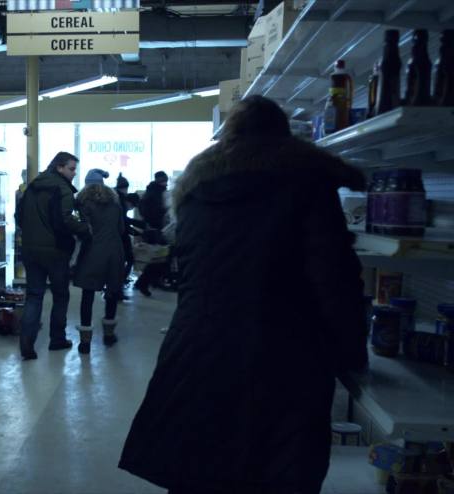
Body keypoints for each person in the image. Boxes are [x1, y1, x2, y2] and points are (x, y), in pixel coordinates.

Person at [119, 95, 368, 494]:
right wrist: (351, 353)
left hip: (196, 348)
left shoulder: (195, 194)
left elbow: (194, 277)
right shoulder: (307, 183)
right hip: (283, 356)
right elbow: (335, 277)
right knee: (275, 472)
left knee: (197, 467)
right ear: (284, 137)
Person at [15, 151, 90, 360]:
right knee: (60, 295)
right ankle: (57, 339)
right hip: (56, 251)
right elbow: (66, 220)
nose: (74, 173)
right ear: (59, 167)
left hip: (30, 250)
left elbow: (18, 216)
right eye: (71, 169)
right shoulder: (62, 189)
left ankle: (26, 345)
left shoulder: (33, 186)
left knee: (34, 296)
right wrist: (85, 229)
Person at [72, 169, 126, 354]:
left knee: (87, 294)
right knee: (112, 292)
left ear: (87, 184)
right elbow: (121, 229)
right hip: (115, 251)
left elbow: (82, 229)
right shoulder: (115, 202)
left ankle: (85, 342)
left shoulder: (83, 203)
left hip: (93, 251)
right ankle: (109, 334)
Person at [134, 171, 170, 296]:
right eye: (164, 180)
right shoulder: (155, 193)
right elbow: (151, 211)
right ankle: (144, 282)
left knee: (159, 257)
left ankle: (148, 281)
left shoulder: (152, 192)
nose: (165, 183)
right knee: (159, 258)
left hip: (155, 229)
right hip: (155, 230)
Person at [115, 174, 146, 283]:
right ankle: (120, 281)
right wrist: (137, 231)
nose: (132, 208)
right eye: (132, 206)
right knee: (128, 259)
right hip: (120, 237)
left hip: (120, 236)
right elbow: (124, 222)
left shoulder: (118, 199)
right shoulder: (120, 202)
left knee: (125, 259)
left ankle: (120, 281)